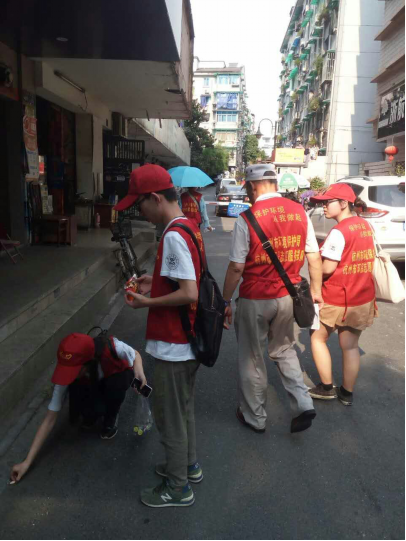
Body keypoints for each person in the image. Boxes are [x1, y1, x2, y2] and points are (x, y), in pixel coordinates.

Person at [114, 164, 205, 509]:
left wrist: (147, 302)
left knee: (170, 417)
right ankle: (188, 466)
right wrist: (155, 283)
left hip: (174, 344)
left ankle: (178, 488)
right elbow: (187, 279)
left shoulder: (172, 235)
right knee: (183, 410)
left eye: (140, 204)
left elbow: (189, 292)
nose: (140, 213)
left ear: (155, 198)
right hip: (187, 339)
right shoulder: (188, 226)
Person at [223, 164, 324, 434]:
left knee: (252, 356)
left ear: (252, 186)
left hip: (255, 297)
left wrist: (224, 300)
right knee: (284, 349)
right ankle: (303, 403)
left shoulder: (247, 218)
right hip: (288, 297)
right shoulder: (299, 211)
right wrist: (316, 291)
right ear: (275, 184)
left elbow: (236, 267)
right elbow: (314, 257)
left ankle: (254, 417)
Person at [10, 333, 146, 484]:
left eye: (73, 370)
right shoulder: (68, 370)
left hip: (112, 380)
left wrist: (139, 372)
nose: (67, 375)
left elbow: (136, 355)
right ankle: (92, 412)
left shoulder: (113, 347)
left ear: (89, 362)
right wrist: (26, 462)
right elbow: (49, 419)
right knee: (86, 412)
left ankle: (111, 417)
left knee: (117, 383)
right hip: (92, 384)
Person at [308, 184, 377, 406]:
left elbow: (328, 268)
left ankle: (327, 387)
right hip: (362, 296)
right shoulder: (365, 225)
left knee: (317, 338)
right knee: (350, 345)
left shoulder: (339, 231)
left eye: (327, 202)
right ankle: (347, 394)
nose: (323, 207)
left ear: (344, 203)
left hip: (336, 297)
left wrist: (314, 271)